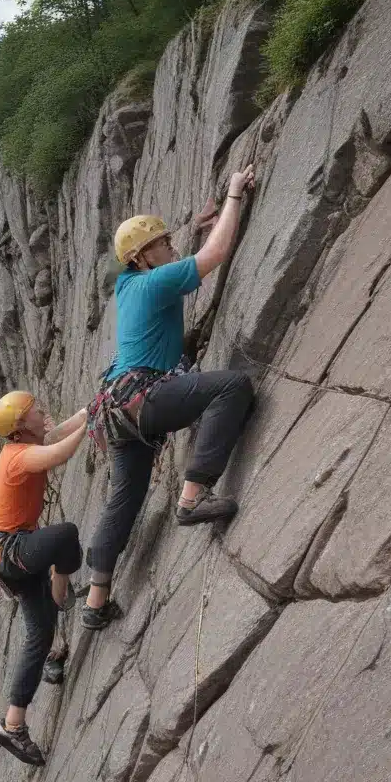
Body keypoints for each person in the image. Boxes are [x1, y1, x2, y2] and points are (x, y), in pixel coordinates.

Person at [82, 165, 257, 631]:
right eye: (163, 245)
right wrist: (235, 195)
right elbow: (217, 252)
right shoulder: (152, 281)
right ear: (142, 256)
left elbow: (171, 255)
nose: (171, 247)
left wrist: (191, 227)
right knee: (232, 386)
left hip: (115, 410)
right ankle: (193, 497)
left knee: (126, 497)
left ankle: (96, 600)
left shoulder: (128, 282)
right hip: (143, 396)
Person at [0, 390, 87, 766]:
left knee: (39, 636)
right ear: (22, 425)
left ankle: (12, 724)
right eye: (36, 410)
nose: (43, 411)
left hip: (11, 554)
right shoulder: (19, 457)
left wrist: (92, 410)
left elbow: (56, 437)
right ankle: (61, 593)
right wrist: (91, 426)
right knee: (66, 534)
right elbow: (60, 453)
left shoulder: (25, 447)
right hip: (11, 551)